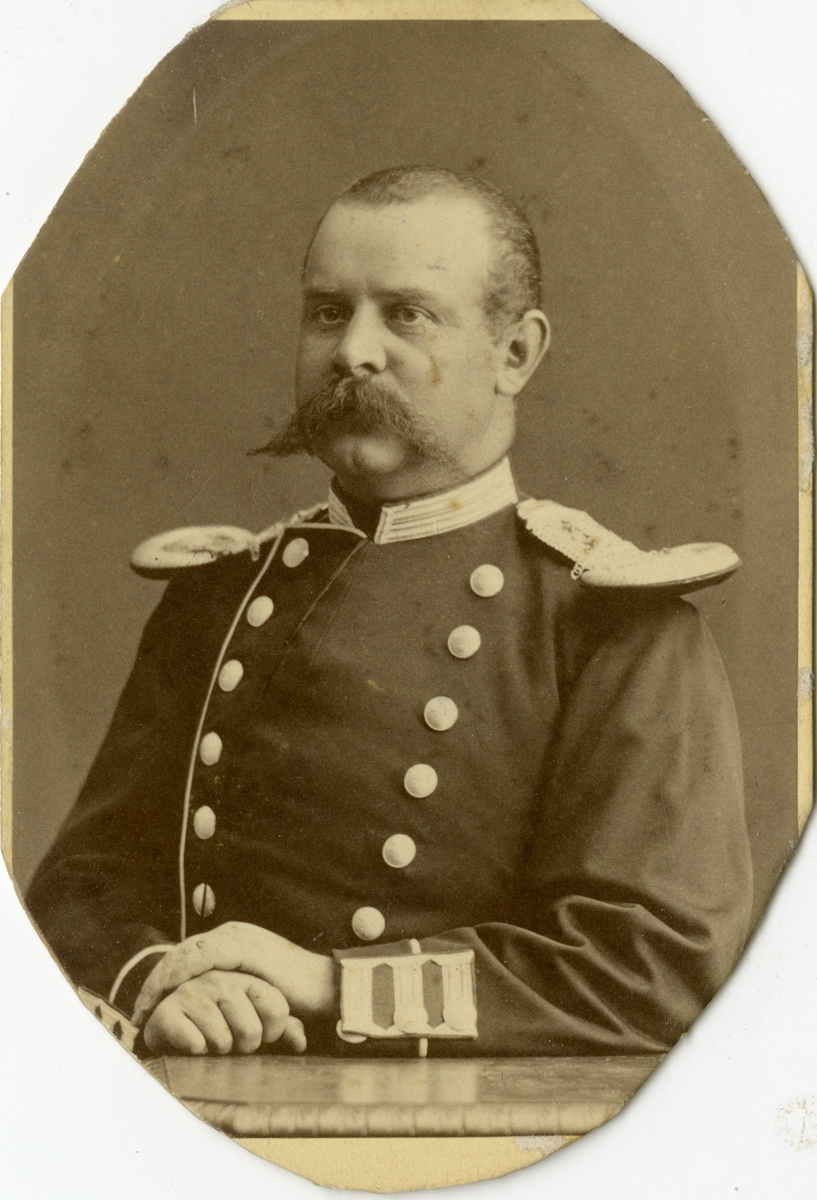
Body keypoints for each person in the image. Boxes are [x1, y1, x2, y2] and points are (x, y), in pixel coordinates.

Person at [26, 166, 753, 1061]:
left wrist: (334, 985)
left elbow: (652, 968)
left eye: (406, 314)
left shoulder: (611, 623)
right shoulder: (218, 596)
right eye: (328, 312)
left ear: (515, 354)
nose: (352, 352)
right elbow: (79, 888)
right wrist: (165, 982)